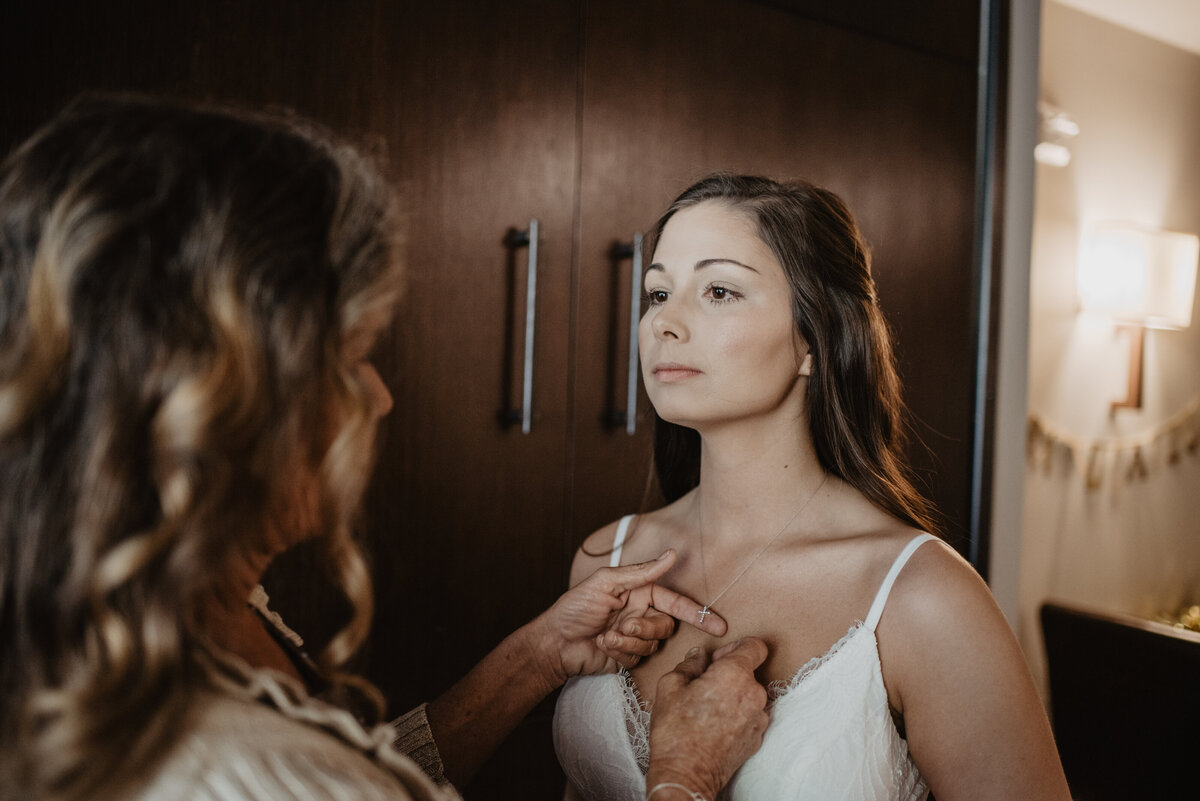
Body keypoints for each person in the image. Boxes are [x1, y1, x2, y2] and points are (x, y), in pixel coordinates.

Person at [0, 95, 770, 801]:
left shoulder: (176, 599)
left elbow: (362, 772)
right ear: (210, 398)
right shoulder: (237, 773)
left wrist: (539, 654)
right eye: (351, 357)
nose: (379, 394)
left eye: (722, 290)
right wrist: (682, 776)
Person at [553, 174, 1074, 801]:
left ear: (813, 339)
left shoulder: (925, 600)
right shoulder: (605, 564)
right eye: (657, 291)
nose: (665, 320)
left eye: (719, 290)